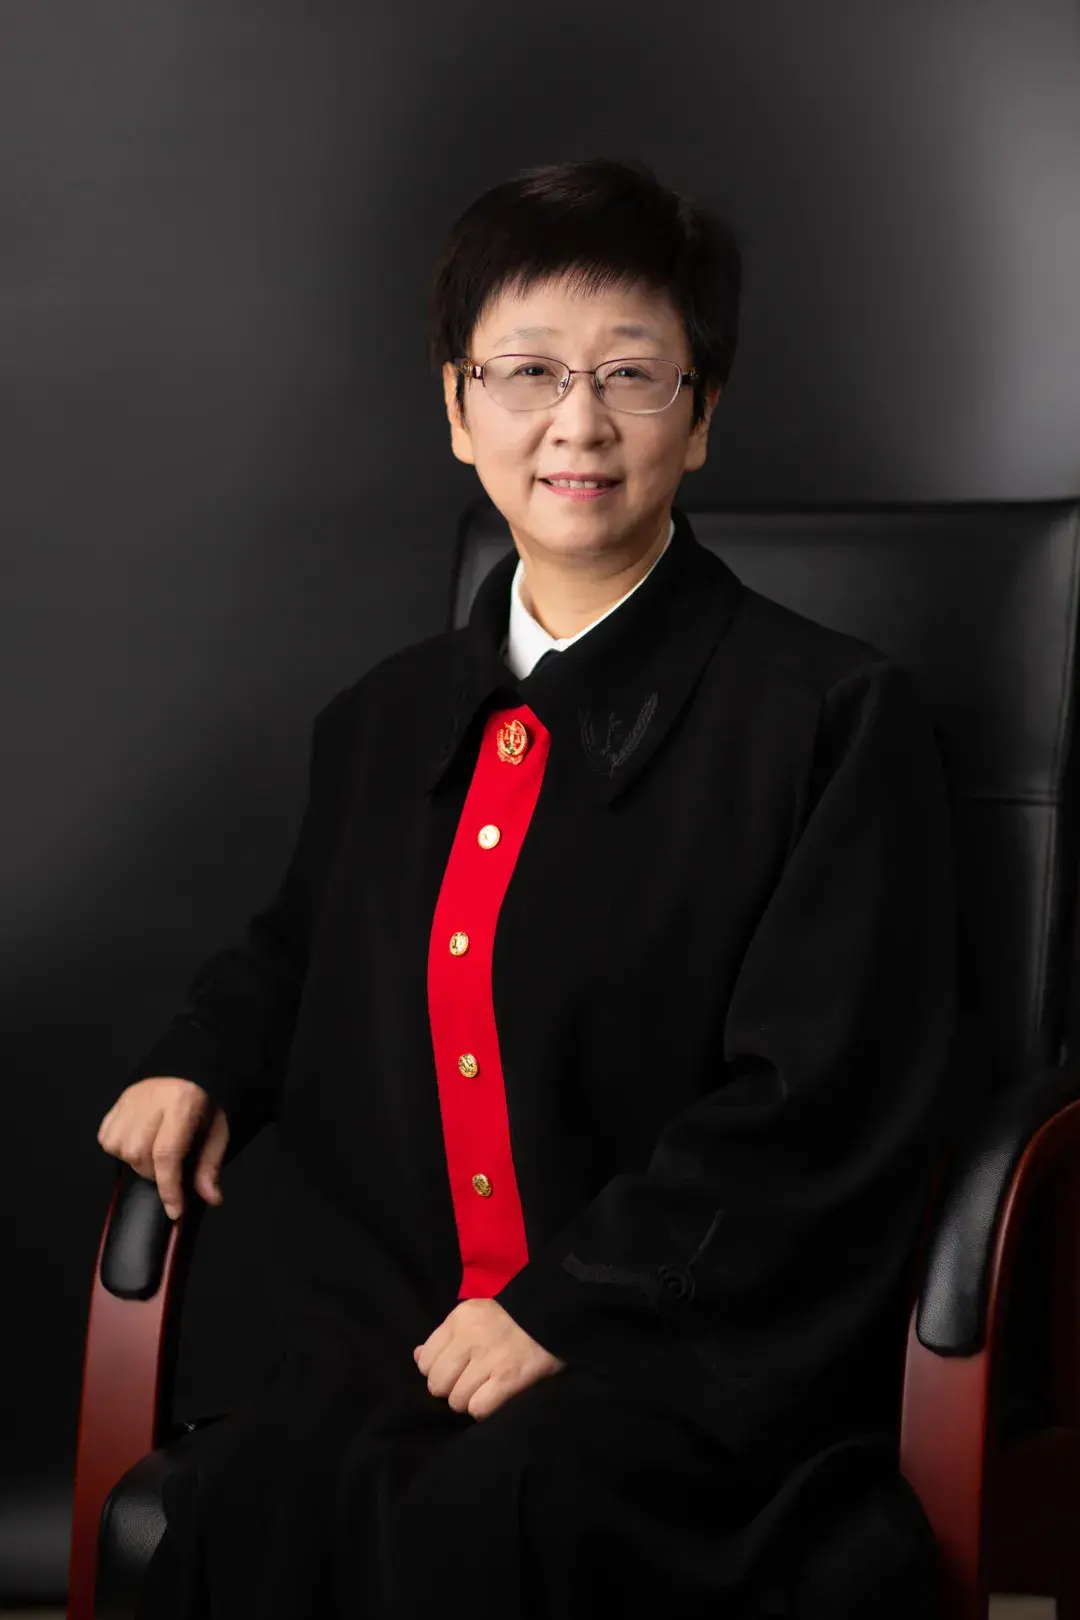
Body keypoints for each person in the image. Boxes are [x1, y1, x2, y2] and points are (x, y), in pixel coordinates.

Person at [97, 155, 956, 1619]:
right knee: (267, 1502)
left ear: (703, 413)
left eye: (633, 374)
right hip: (400, 1336)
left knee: (507, 1513)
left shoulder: (831, 719)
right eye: (529, 372)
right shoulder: (379, 722)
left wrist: (564, 1312)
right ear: (457, 408)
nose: (579, 422)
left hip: (683, 1362)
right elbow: (298, 946)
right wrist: (201, 1057)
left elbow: (819, 1101)